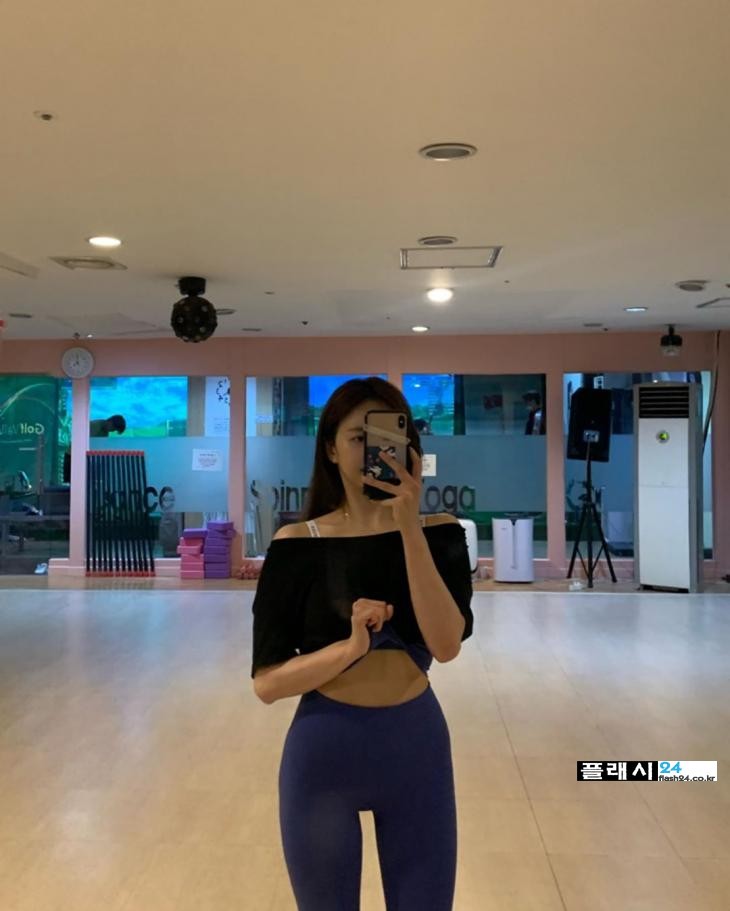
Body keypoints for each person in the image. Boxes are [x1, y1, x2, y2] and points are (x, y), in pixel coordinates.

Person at [250, 377, 474, 910]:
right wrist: (349, 649)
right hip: (324, 754)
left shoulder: (440, 533)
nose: (375, 450)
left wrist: (408, 527)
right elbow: (267, 683)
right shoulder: (297, 545)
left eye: (389, 435)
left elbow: (446, 645)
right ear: (330, 449)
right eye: (358, 437)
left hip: (416, 749)